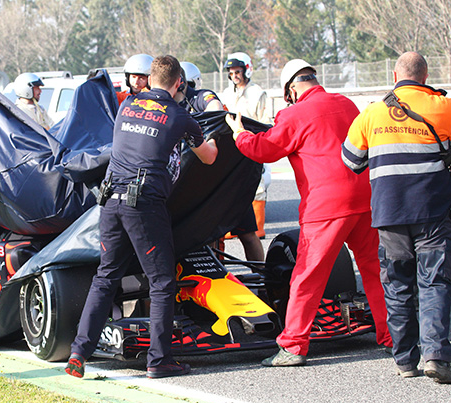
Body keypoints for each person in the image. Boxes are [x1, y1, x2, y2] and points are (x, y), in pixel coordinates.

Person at [226, 58, 392, 366]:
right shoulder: (345, 104)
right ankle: (392, 335)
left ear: (291, 88)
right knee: (375, 271)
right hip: (365, 197)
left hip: (326, 204)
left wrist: (239, 134)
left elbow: (264, 149)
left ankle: (294, 345)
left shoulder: (294, 113)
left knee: (307, 276)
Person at [66, 55, 218, 379]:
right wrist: (216, 134)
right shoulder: (179, 115)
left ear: (149, 80)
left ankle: (79, 352)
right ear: (179, 83)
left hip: (109, 202)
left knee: (105, 278)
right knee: (162, 282)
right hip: (143, 205)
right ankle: (159, 360)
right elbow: (209, 157)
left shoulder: (127, 107)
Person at [342, 52, 451, 383]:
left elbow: (350, 160)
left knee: (398, 284)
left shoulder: (372, 113)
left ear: (394, 76)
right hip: (433, 211)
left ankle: (405, 360)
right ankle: (436, 355)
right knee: (435, 281)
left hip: (389, 214)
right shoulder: (443, 108)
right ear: (425, 74)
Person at [222, 52, 269, 259]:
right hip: (229, 151)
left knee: (256, 187)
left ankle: (257, 227)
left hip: (252, 146)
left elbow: (266, 121)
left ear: (246, 70)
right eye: (231, 73)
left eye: (237, 71)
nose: (234, 76)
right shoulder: (225, 94)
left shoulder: (258, 93)